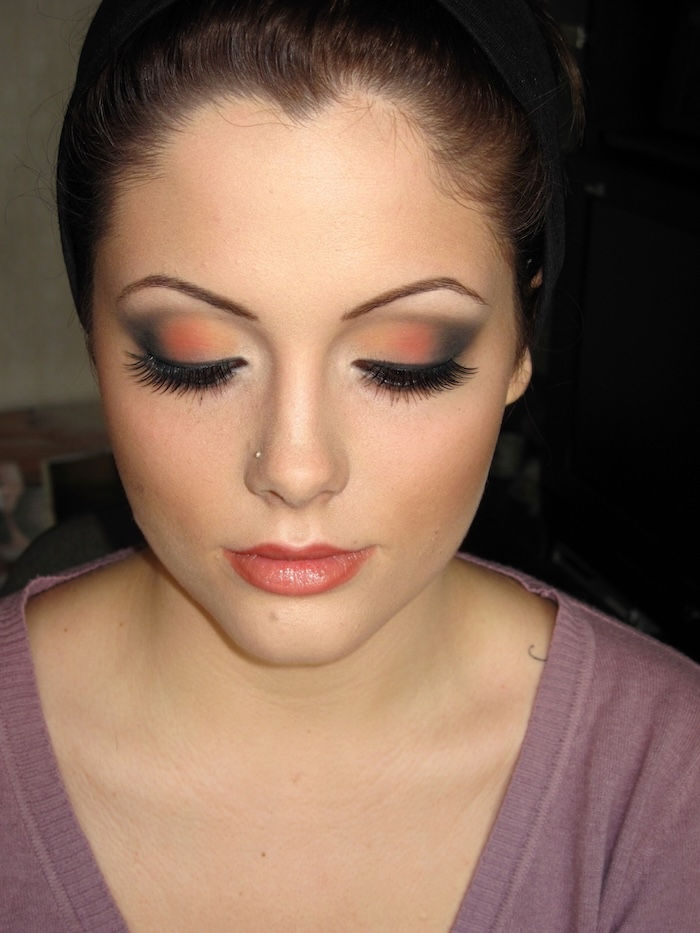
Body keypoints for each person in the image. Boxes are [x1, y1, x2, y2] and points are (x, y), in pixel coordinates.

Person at [1, 1, 698, 930]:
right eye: (193, 356)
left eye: (406, 361)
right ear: (97, 333)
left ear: (522, 341)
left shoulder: (670, 791)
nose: (296, 469)